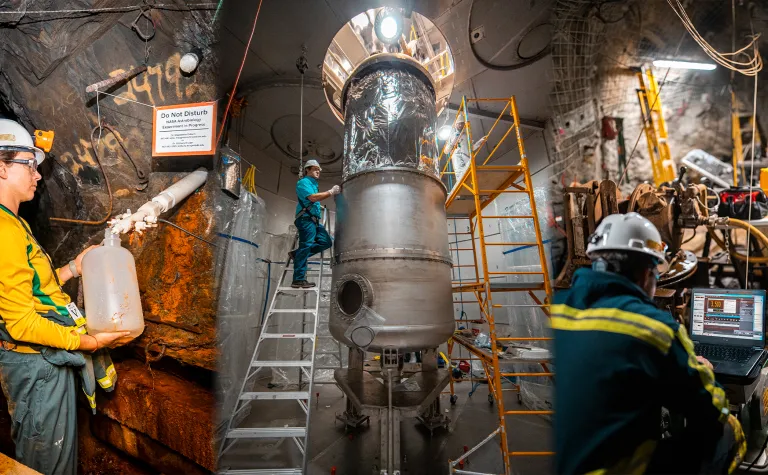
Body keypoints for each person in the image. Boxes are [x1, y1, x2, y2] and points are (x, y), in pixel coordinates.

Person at [552, 212, 746, 474]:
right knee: (727, 429)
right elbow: (712, 410)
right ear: (647, 273)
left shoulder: (557, 308)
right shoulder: (654, 328)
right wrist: (702, 372)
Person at [0, 118, 132, 475]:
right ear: (1, 166)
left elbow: (33, 291)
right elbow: (22, 322)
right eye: (30, 164)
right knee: (48, 464)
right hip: (37, 365)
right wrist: (88, 342)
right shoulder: (3, 229)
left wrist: (73, 267)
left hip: (42, 363)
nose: (38, 175)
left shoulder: (13, 223)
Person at [290, 159, 339, 288]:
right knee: (306, 245)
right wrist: (331, 192)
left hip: (314, 221)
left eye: (319, 170)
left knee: (326, 242)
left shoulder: (313, 184)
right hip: (306, 219)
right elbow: (313, 198)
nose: (318, 171)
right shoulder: (303, 183)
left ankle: (297, 254)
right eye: (315, 169)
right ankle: (298, 279)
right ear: (307, 169)